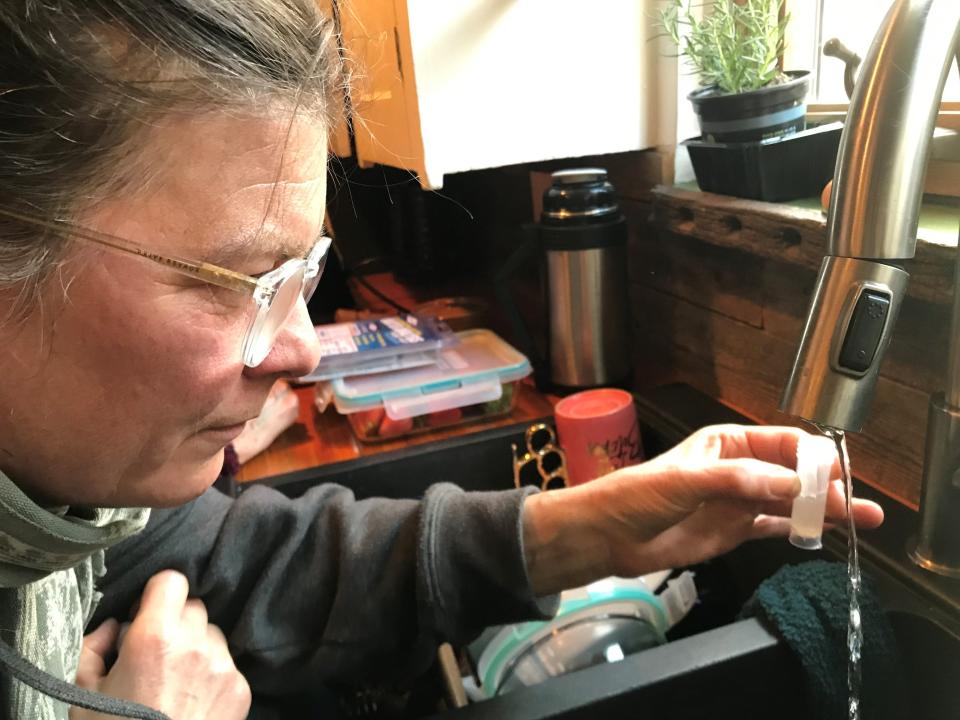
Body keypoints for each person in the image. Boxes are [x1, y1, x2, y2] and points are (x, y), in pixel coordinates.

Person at [0, 2, 884, 719]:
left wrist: (592, 528)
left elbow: (239, 555)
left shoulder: (85, 496)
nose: (302, 348)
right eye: (234, 279)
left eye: (300, 274)